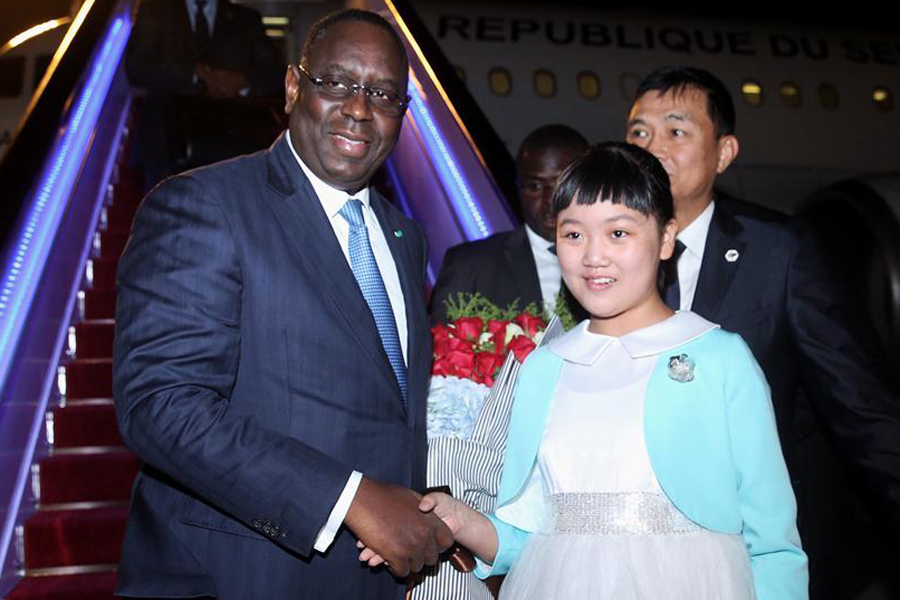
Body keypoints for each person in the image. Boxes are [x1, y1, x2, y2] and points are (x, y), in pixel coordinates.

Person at [362, 142, 808, 599]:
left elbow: (773, 546)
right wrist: (463, 521)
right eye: (574, 235)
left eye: (619, 234)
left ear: (667, 238)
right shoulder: (544, 367)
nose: (594, 256)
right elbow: (529, 538)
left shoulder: (720, 360)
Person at [114, 9, 451, 600]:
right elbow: (162, 406)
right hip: (240, 576)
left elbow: (387, 414)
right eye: (338, 83)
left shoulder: (406, 238)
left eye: (383, 94)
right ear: (294, 87)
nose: (359, 108)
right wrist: (348, 498)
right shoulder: (204, 205)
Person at [625, 66, 900, 599]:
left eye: (676, 131)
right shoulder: (604, 255)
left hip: (755, 551)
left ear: (725, 153)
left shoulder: (780, 252)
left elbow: (857, 403)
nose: (651, 147)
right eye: (638, 133)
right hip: (639, 550)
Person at [430, 125, 588, 322]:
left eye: (561, 185)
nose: (549, 198)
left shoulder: (619, 259)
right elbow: (444, 348)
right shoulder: (469, 265)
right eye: (534, 186)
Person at [126, 0, 284, 187]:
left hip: (231, 142)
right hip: (165, 141)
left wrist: (242, 81)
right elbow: (136, 67)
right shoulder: (156, 10)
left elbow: (276, 73)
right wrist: (194, 73)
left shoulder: (246, 18)